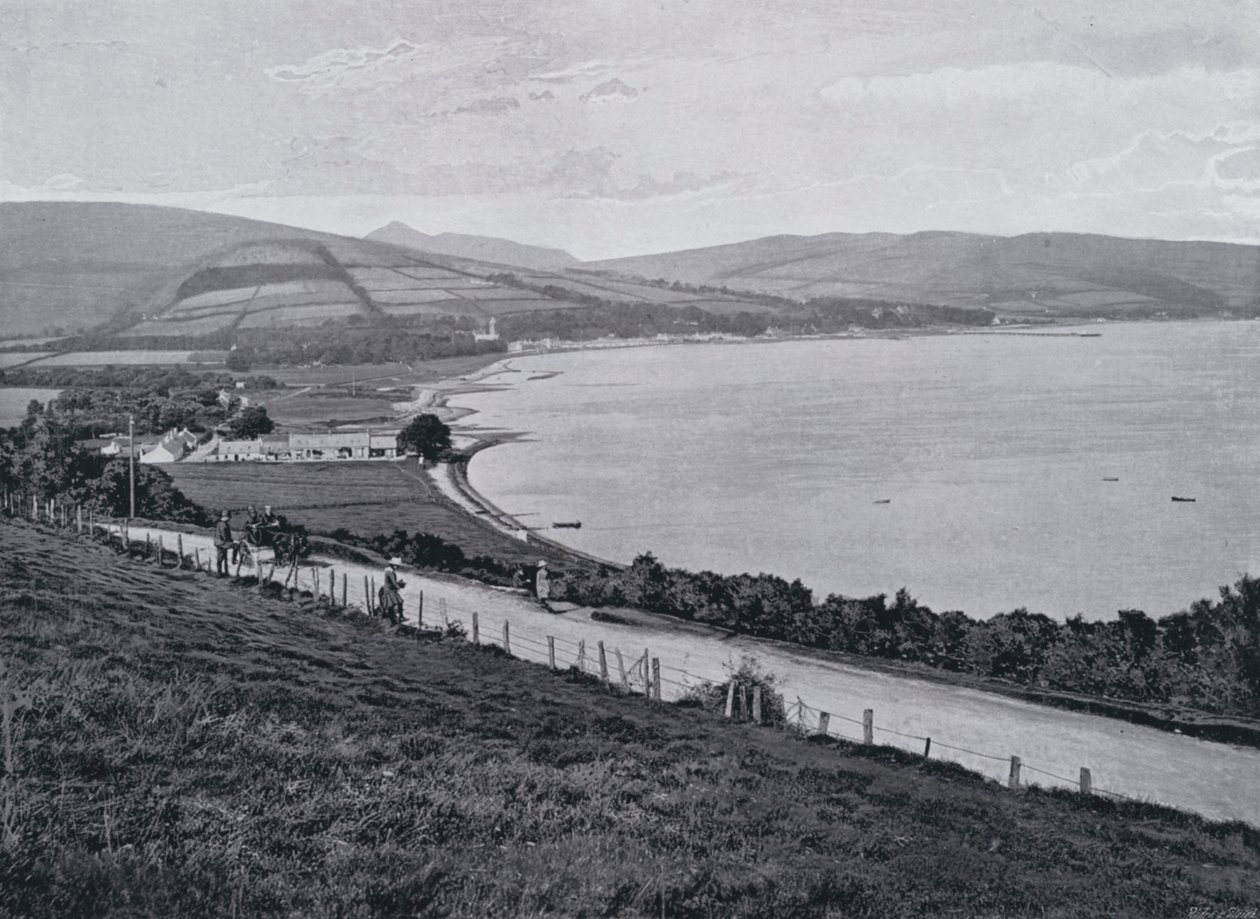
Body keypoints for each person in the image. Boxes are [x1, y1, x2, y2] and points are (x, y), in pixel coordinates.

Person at [380, 556, 405, 625]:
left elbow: (392, 582)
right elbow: (393, 582)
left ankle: (396, 618)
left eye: (397, 566)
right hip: (389, 590)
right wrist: (399, 587)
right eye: (396, 566)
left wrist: (398, 583)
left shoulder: (389, 571)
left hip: (390, 589)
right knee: (393, 604)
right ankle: (397, 618)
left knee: (394, 604)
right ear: (393, 565)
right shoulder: (390, 572)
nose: (397, 567)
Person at [213, 511, 233, 576]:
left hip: (218, 542)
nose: (229, 519)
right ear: (226, 517)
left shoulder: (219, 523)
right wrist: (230, 541)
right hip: (222, 543)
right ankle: (234, 560)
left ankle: (221, 572)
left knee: (221, 557)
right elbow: (224, 535)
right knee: (236, 546)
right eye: (229, 518)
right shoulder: (223, 525)